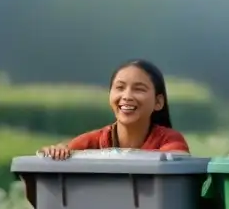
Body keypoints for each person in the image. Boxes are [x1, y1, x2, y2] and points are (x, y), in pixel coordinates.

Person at [39, 60, 190, 159]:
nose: (127, 96)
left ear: (158, 102)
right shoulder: (94, 141)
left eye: (139, 89)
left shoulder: (169, 140)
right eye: (120, 88)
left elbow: (178, 159)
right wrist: (56, 153)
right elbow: (58, 155)